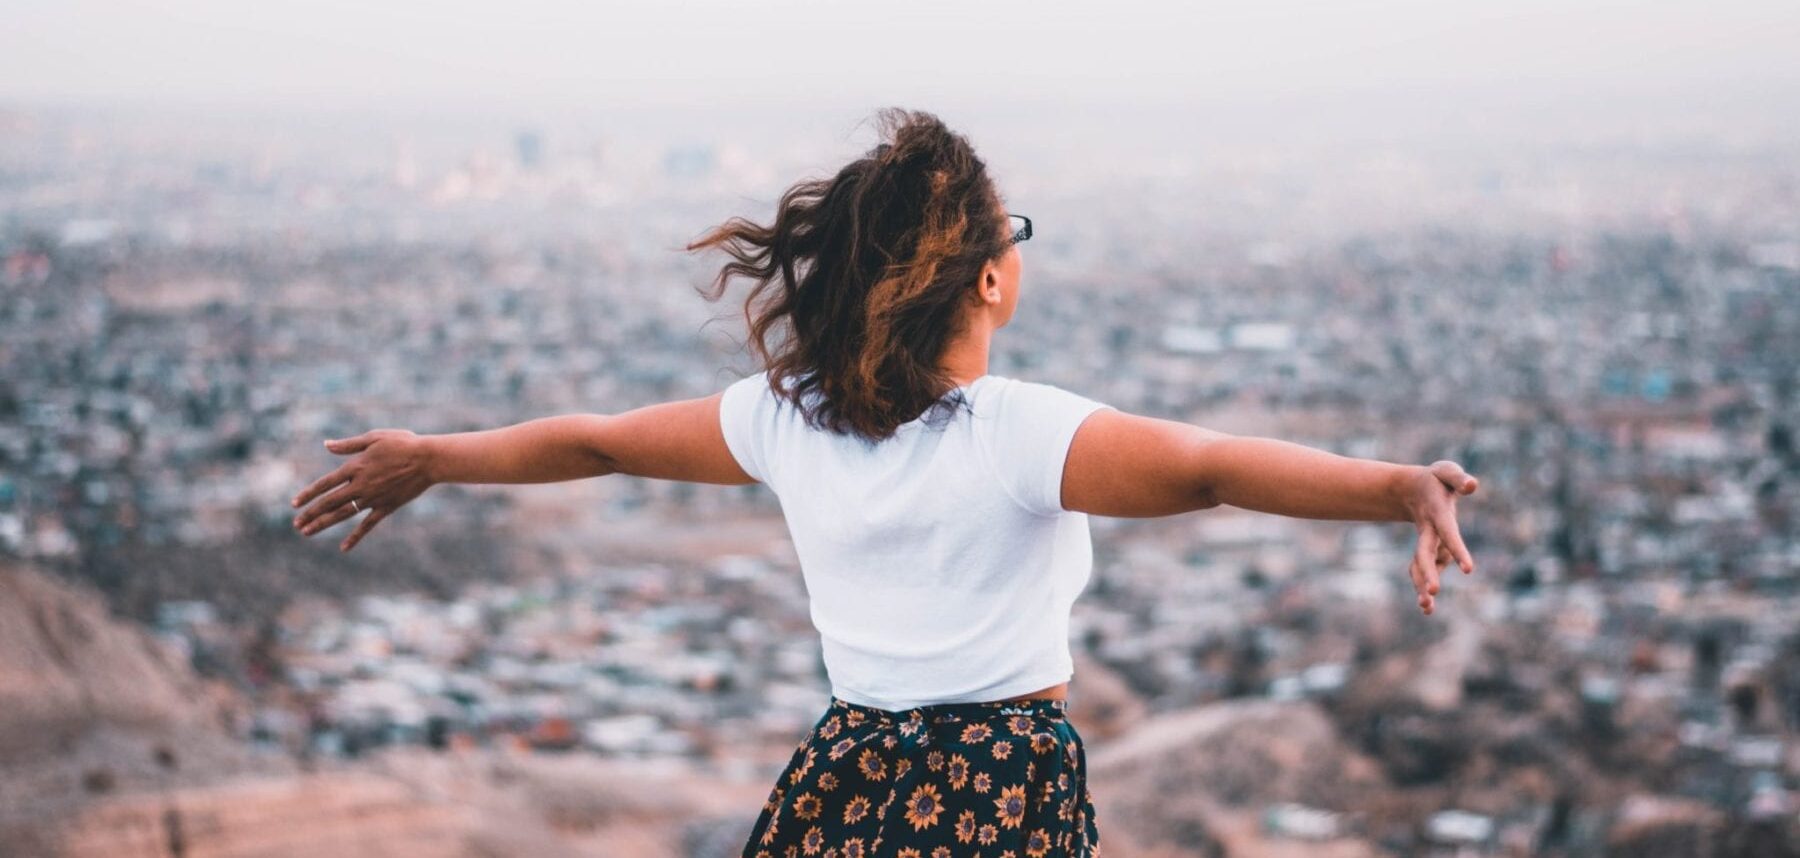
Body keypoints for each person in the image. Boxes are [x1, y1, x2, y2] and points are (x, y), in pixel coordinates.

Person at [289, 107, 1480, 857]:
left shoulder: (786, 420)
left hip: (847, 779)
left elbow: (597, 441)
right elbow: (1213, 470)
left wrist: (438, 457)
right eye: (1007, 230)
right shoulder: (1011, 432)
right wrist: (1391, 488)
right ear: (986, 282)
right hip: (998, 790)